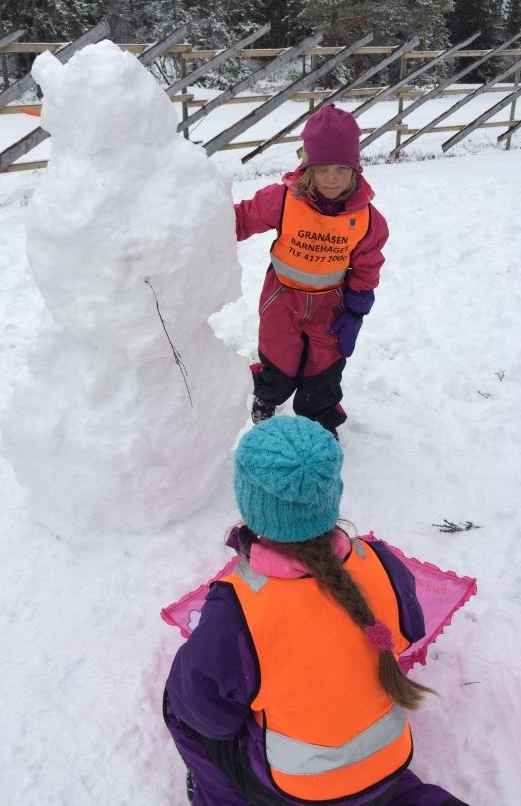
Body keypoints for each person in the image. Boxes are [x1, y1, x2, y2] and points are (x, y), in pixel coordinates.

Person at [164, 416, 469, 806]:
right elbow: (407, 633)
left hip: (300, 789)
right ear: (332, 494)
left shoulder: (237, 609)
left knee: (177, 702)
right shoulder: (378, 561)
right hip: (388, 761)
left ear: (249, 502)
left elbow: (206, 713)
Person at [234, 104, 388, 433]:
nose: (331, 178)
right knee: (280, 359)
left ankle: (319, 419)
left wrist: (357, 307)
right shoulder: (284, 200)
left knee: (325, 367)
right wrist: (207, 220)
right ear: (307, 168)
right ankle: (267, 394)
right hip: (282, 297)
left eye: (340, 169)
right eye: (321, 169)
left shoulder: (367, 219)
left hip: (330, 304)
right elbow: (243, 217)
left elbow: (368, 261)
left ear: (355, 170)